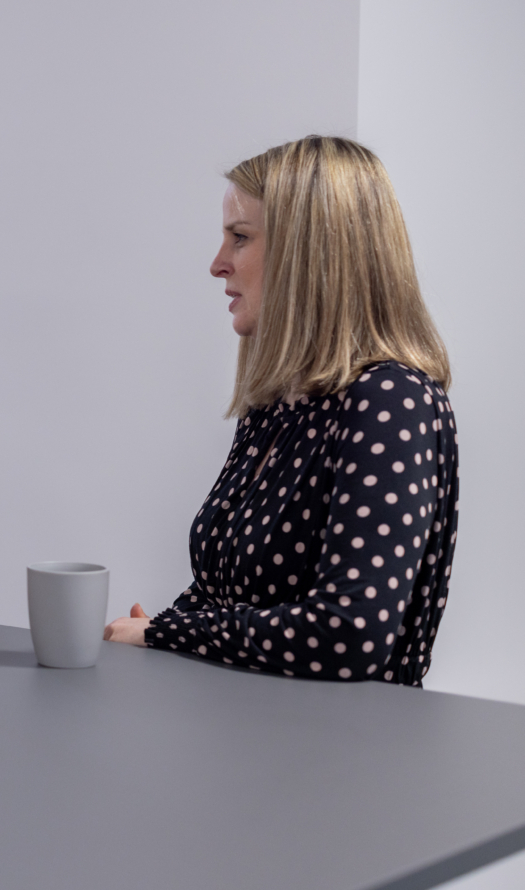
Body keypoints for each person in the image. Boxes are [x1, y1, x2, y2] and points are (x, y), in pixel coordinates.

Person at [104, 136, 457, 685]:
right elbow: (222, 591)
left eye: (239, 238)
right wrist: (164, 626)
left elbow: (350, 635)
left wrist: (165, 634)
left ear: (309, 252)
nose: (218, 264)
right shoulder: (275, 406)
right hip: (239, 738)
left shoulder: (392, 402)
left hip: (333, 758)